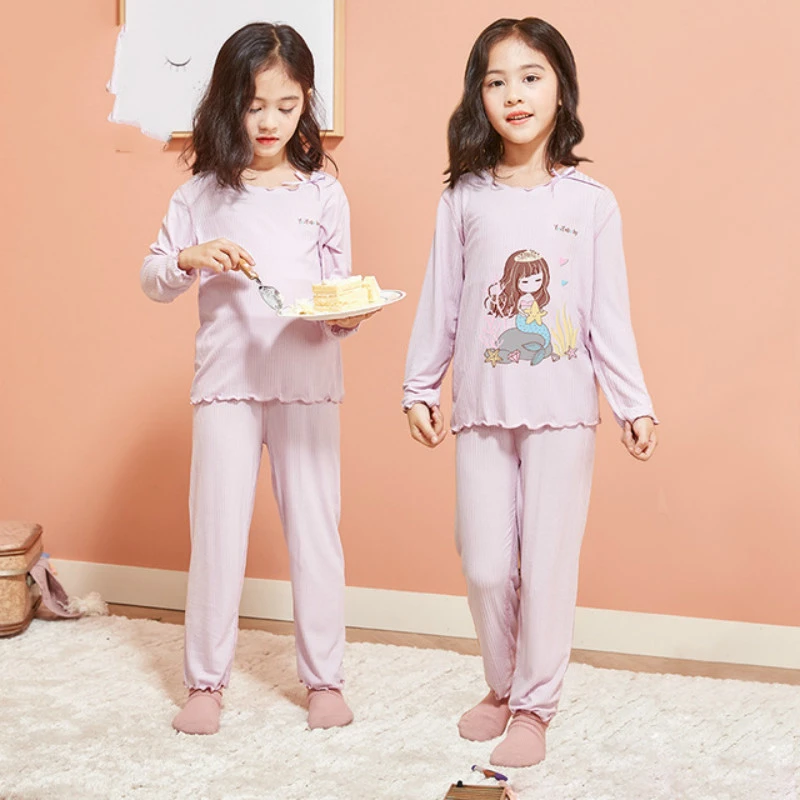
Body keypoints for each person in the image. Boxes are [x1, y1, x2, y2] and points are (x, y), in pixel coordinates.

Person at [403, 17, 658, 768]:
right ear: (478, 97)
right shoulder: (464, 199)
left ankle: (533, 707)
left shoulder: (591, 202)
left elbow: (607, 315)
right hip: (481, 408)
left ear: (561, 90)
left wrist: (634, 402)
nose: (514, 94)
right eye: (496, 81)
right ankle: (502, 683)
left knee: (546, 568)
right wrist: (420, 385)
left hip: (563, 413)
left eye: (531, 77)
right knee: (486, 565)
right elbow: (442, 301)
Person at [141, 22, 375, 735]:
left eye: (287, 105)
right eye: (253, 105)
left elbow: (337, 294)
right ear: (228, 104)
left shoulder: (323, 195)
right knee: (216, 535)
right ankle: (205, 683)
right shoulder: (199, 196)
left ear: (306, 105)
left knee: (316, 534)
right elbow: (153, 276)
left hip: (308, 381)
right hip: (226, 385)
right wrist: (189, 259)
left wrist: (348, 316)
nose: (270, 121)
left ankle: (324, 680)